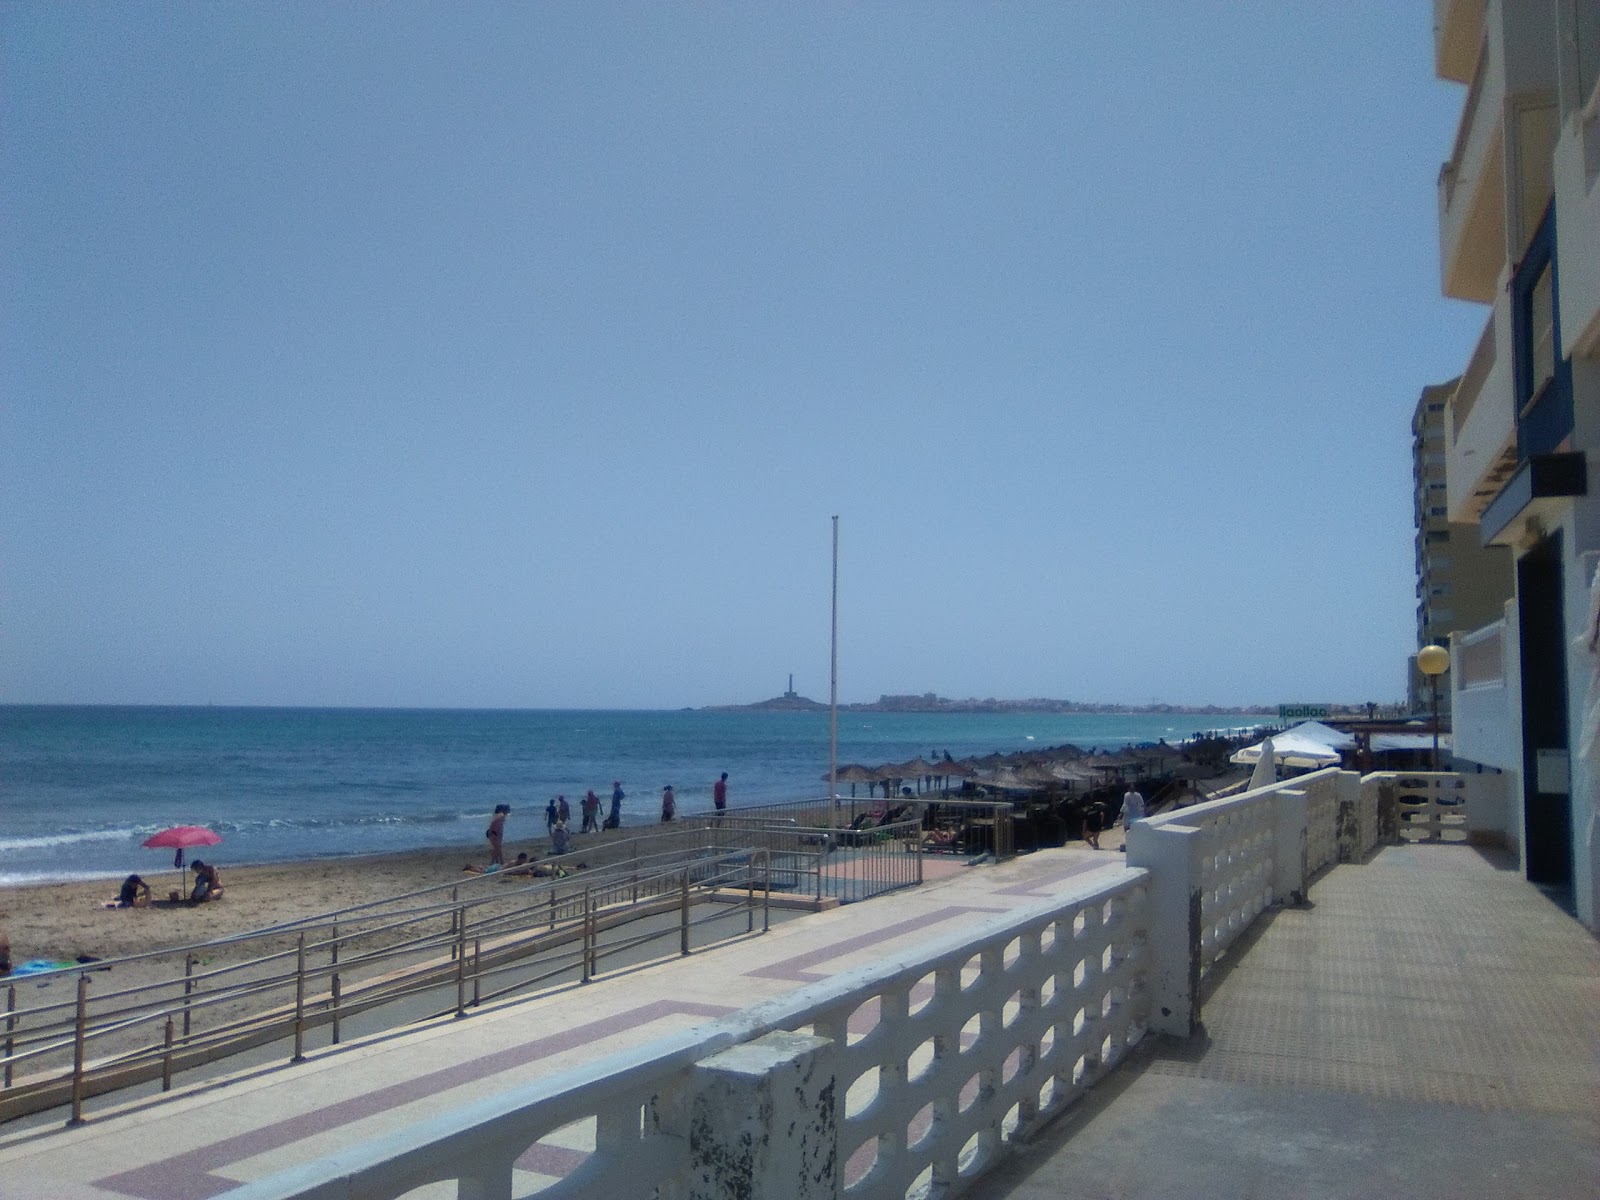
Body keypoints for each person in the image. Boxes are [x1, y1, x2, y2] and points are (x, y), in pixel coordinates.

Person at [1121, 785, 1146, 849]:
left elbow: (1125, 804)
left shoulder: (1126, 795)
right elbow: (1142, 804)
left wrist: (1121, 812)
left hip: (1128, 813)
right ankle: (1137, 842)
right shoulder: (1138, 795)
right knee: (1136, 828)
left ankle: (1129, 842)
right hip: (1137, 813)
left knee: (1127, 828)